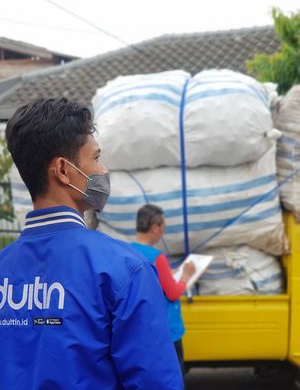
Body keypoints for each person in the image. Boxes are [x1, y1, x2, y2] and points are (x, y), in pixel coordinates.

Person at [0, 98, 183, 390]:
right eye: (96, 158)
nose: (103, 169)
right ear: (62, 170)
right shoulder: (125, 269)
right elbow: (156, 382)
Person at [131, 204, 196, 377]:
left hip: (142, 328)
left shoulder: (129, 251)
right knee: (172, 378)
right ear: (155, 227)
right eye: (163, 227)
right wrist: (186, 276)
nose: (163, 232)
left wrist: (169, 273)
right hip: (167, 331)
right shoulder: (157, 257)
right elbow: (173, 293)